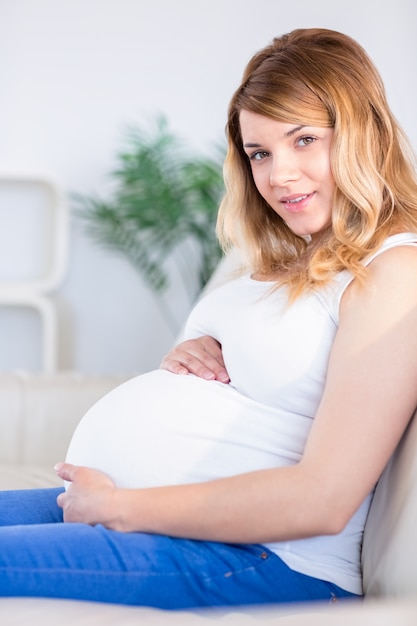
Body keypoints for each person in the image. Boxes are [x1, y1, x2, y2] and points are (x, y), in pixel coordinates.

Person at [1, 27, 417, 610]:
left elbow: (324, 497)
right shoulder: (283, 256)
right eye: (260, 153)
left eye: (304, 140)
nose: (279, 176)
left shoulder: (394, 271)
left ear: (362, 134)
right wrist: (188, 353)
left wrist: (120, 508)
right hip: (149, 512)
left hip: (265, 560)